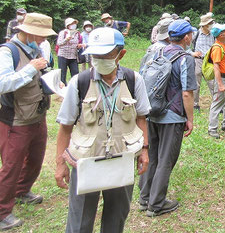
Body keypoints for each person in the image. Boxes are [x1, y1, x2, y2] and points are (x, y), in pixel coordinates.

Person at [55, 27, 150, 232]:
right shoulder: (79, 82)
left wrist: (144, 150)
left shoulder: (134, 80)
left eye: (105, 54)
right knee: (80, 219)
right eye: (94, 55)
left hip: (122, 159)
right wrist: (60, 163)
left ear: (120, 54)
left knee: (117, 218)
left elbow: (141, 118)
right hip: (86, 161)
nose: (98, 59)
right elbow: (65, 127)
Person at [0, 13, 56, 230]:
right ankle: (2, 212)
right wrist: (31, 67)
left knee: (35, 159)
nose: (43, 40)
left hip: (37, 115)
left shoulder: (36, 49)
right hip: (15, 120)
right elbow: (3, 84)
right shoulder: (7, 52)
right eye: (41, 35)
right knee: (11, 166)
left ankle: (22, 191)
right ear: (28, 31)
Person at [139, 19, 196, 217]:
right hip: (172, 116)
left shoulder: (156, 52)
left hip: (151, 112)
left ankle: (145, 197)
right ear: (186, 37)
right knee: (166, 160)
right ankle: (156, 204)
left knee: (152, 155)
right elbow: (187, 93)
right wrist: (190, 118)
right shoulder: (185, 58)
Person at [207, 23, 225, 139]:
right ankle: (212, 128)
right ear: (220, 35)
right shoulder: (217, 48)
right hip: (223, 79)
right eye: (224, 30)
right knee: (217, 103)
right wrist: (220, 84)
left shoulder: (224, 45)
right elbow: (216, 67)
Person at [190, 13, 216, 111]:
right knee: (196, 84)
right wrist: (192, 53)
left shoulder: (213, 35)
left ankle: (216, 104)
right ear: (204, 25)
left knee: (212, 83)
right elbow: (186, 46)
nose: (211, 24)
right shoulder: (195, 34)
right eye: (210, 23)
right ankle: (195, 104)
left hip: (209, 61)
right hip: (198, 61)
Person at [57, 18, 82, 85]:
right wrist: (66, 39)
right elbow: (59, 43)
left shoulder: (77, 33)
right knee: (62, 74)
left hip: (73, 56)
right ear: (67, 25)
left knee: (75, 74)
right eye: (71, 23)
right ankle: (62, 90)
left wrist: (79, 46)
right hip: (63, 55)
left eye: (74, 23)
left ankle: (75, 87)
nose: (73, 25)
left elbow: (78, 43)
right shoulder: (63, 33)